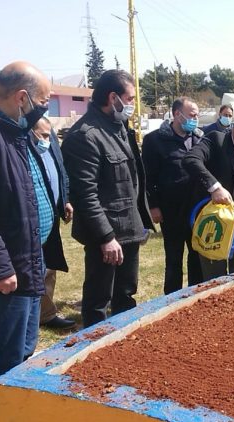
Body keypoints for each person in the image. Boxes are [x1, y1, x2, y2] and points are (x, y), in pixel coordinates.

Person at [0, 61, 51, 422]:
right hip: (3, 278)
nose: (44, 110)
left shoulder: (14, 131)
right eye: (43, 102)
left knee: (21, 354)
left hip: (26, 265)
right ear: (22, 98)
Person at [62, 69, 154, 328]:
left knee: (125, 293)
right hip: (106, 236)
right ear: (113, 98)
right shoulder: (86, 136)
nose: (133, 105)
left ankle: (124, 339)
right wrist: (106, 237)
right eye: (130, 98)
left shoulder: (118, 127)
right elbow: (85, 194)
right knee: (99, 299)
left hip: (129, 228)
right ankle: (96, 341)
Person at [184, 113, 234, 278]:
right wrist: (215, 187)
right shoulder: (216, 140)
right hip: (214, 223)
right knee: (214, 273)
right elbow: (191, 159)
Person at [142, 97, 204, 294]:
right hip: (170, 210)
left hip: (197, 209)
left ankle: (195, 294)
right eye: (192, 115)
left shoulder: (199, 138)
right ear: (177, 114)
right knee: (174, 258)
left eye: (197, 115)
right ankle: (172, 298)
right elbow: (148, 177)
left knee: (197, 255)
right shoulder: (154, 140)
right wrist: (153, 206)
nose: (195, 119)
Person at [30, 118, 75, 329]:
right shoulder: (22, 145)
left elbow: (60, 169)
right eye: (43, 136)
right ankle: (32, 317)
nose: (47, 140)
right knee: (34, 268)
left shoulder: (51, 140)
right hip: (32, 217)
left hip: (51, 213)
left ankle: (46, 314)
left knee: (49, 265)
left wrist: (65, 199)